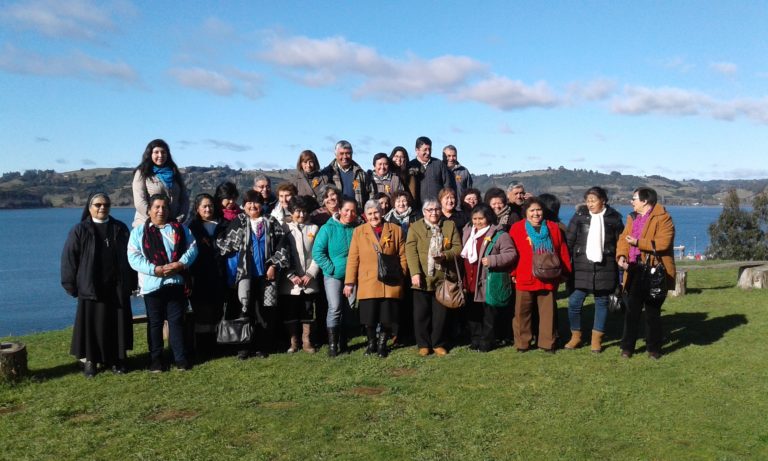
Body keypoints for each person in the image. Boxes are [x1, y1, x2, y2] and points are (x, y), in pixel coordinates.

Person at [61, 192, 136, 377]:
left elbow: (131, 256)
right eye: (98, 205)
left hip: (117, 286)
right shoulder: (80, 230)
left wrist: (132, 281)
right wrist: (70, 285)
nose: (102, 208)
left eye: (106, 204)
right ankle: (90, 362)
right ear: (89, 207)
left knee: (116, 324)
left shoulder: (120, 228)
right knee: (91, 327)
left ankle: (117, 359)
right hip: (91, 286)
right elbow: (69, 258)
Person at [128, 194, 198, 371]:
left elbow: (192, 248)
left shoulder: (180, 229)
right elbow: (133, 257)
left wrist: (180, 264)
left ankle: (180, 357)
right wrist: (155, 270)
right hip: (152, 284)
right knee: (155, 322)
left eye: (164, 207)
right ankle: (156, 359)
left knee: (176, 321)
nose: (161, 210)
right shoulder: (138, 233)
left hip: (175, 281)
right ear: (149, 210)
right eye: (157, 207)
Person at [216, 190, 285, 360]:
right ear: (244, 205)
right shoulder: (238, 221)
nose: (253, 206)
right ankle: (244, 347)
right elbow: (224, 245)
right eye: (249, 203)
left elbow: (282, 246)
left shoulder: (271, 221)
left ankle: (263, 346)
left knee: (264, 311)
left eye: (256, 203)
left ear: (262, 205)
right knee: (244, 308)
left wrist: (274, 265)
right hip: (244, 274)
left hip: (266, 275)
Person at [617, 187, 676, 360]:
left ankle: (654, 349)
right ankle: (627, 348)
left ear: (645, 201)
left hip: (653, 269)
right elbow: (623, 239)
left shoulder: (663, 218)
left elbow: (663, 243)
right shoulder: (632, 217)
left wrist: (638, 242)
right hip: (634, 269)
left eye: (634, 198)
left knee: (652, 312)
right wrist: (621, 256)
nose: (631, 201)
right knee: (631, 311)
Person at [565, 187, 625, 353]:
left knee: (602, 302)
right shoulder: (579, 217)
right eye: (588, 200)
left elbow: (621, 243)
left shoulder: (614, 219)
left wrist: (621, 259)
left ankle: (596, 340)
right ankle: (575, 336)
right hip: (581, 266)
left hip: (605, 266)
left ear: (603, 200)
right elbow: (569, 241)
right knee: (574, 302)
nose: (590, 204)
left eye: (593, 200)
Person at [344, 199, 407, 357]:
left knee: (387, 316)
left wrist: (401, 274)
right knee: (369, 317)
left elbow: (403, 256)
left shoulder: (396, 230)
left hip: (390, 280)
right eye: (370, 213)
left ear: (382, 212)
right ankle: (371, 343)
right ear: (365, 215)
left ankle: (382, 345)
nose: (373, 216)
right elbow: (353, 258)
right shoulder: (359, 231)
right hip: (368, 280)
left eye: (376, 212)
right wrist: (349, 282)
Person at [508, 197, 571, 353]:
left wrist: (565, 272)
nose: (536, 214)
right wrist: (513, 273)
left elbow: (562, 250)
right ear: (526, 213)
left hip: (548, 276)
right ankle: (523, 343)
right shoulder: (517, 228)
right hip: (524, 275)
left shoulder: (553, 228)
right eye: (532, 210)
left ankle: (547, 342)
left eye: (538, 210)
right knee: (522, 312)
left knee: (547, 312)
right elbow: (512, 253)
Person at [405, 199, 462, 357]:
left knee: (440, 314)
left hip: (443, 277)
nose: (433, 212)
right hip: (422, 277)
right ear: (424, 212)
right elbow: (410, 251)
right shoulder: (415, 227)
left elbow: (458, 248)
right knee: (421, 314)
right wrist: (415, 273)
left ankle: (438, 343)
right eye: (429, 210)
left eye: (436, 209)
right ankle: (423, 344)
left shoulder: (449, 226)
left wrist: (445, 255)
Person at [460, 204, 517, 352]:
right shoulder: (467, 232)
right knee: (473, 312)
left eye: (481, 218)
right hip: (470, 278)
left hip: (487, 280)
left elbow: (511, 254)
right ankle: (475, 339)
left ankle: (487, 342)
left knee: (488, 314)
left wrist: (493, 260)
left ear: (489, 218)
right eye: (475, 219)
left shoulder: (500, 235)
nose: (477, 222)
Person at [312, 198, 359, 357]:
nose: (349, 214)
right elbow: (318, 252)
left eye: (353, 211)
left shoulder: (357, 228)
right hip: (333, 276)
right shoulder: (327, 228)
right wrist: (330, 268)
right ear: (339, 210)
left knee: (349, 308)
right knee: (335, 307)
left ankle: (343, 341)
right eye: (347, 210)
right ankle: (333, 344)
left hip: (352, 276)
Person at [276, 196, 321, 354]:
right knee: (291, 310)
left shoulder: (314, 228)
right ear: (291, 211)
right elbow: (281, 252)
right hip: (290, 279)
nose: (301, 214)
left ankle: (306, 341)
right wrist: (291, 274)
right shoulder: (284, 228)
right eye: (297, 211)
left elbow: (318, 253)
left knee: (307, 309)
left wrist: (311, 273)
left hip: (309, 278)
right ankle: (293, 341)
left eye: (304, 211)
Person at [186, 192, 228, 355]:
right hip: (199, 276)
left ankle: (217, 344)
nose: (208, 209)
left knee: (218, 311)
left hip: (219, 275)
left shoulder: (223, 224)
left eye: (210, 205)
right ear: (197, 208)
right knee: (202, 312)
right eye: (204, 206)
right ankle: (203, 347)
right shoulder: (191, 227)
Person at [132, 139, 189, 228]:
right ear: (150, 154)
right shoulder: (142, 173)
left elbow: (184, 199)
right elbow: (139, 201)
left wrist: (180, 218)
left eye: (163, 152)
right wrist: (155, 219)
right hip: (148, 225)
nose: (160, 155)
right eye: (156, 152)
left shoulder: (174, 172)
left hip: (173, 225)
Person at [321, 140, 370, 210]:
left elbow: (370, 194)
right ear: (336, 154)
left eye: (348, 153)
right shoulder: (326, 173)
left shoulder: (361, 173)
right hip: (334, 215)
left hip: (356, 214)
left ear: (352, 154)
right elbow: (321, 197)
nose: (345, 157)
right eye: (341, 153)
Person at [406, 136, 454, 207]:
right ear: (417, 150)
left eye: (429, 149)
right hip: (417, 209)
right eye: (425, 150)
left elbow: (447, 186)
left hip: (437, 207)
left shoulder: (439, 164)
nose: (428, 152)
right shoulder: (410, 165)